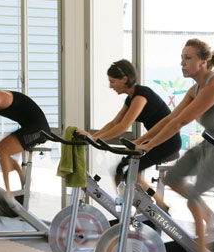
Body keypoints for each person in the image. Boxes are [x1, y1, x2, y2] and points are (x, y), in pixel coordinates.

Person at [132, 39, 214, 252]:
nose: (182, 63)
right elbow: (169, 118)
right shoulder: (194, 89)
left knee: (192, 197)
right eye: (182, 57)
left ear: (204, 62)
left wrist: (151, 145)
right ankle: (208, 214)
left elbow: (181, 122)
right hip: (211, 141)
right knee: (172, 178)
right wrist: (139, 142)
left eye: (188, 58)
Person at [77, 59, 181, 211]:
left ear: (124, 79)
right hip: (155, 140)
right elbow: (114, 123)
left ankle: (159, 207)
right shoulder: (130, 98)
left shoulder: (141, 95)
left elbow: (124, 126)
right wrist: (92, 136)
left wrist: (95, 139)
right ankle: (125, 211)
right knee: (120, 172)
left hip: (167, 141)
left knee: (132, 174)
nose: (110, 86)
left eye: (112, 82)